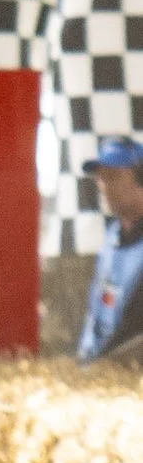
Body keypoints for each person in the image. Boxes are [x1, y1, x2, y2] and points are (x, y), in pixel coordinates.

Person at [78, 137, 143, 358]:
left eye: (113, 177)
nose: (104, 186)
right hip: (102, 374)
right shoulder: (112, 237)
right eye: (101, 178)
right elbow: (96, 312)